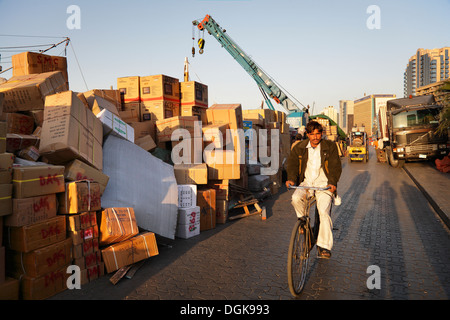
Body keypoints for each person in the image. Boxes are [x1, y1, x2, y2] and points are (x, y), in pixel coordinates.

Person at [285, 121, 342, 259]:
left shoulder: (330, 146)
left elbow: (335, 166)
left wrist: (333, 183)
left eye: (318, 134)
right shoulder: (299, 147)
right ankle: (303, 222)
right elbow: (292, 164)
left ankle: (324, 247)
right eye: (312, 134)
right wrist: (291, 178)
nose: (315, 137)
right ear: (308, 135)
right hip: (307, 183)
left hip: (324, 185)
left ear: (321, 134)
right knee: (295, 198)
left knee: (323, 212)